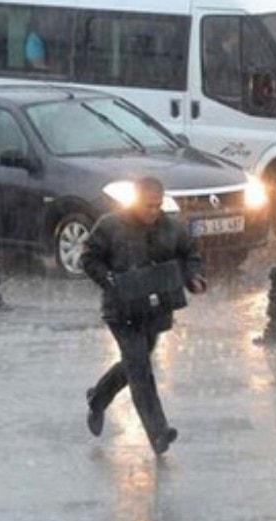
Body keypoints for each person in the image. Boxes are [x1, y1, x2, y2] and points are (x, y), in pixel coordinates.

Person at [81, 178, 207, 455]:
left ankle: (98, 397)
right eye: (148, 206)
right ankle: (158, 432)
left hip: (154, 311)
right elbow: (88, 259)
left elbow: (190, 254)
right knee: (139, 367)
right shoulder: (110, 226)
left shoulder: (171, 228)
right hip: (121, 311)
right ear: (136, 201)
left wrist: (193, 278)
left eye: (158, 206)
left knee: (133, 362)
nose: (153, 211)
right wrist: (110, 280)